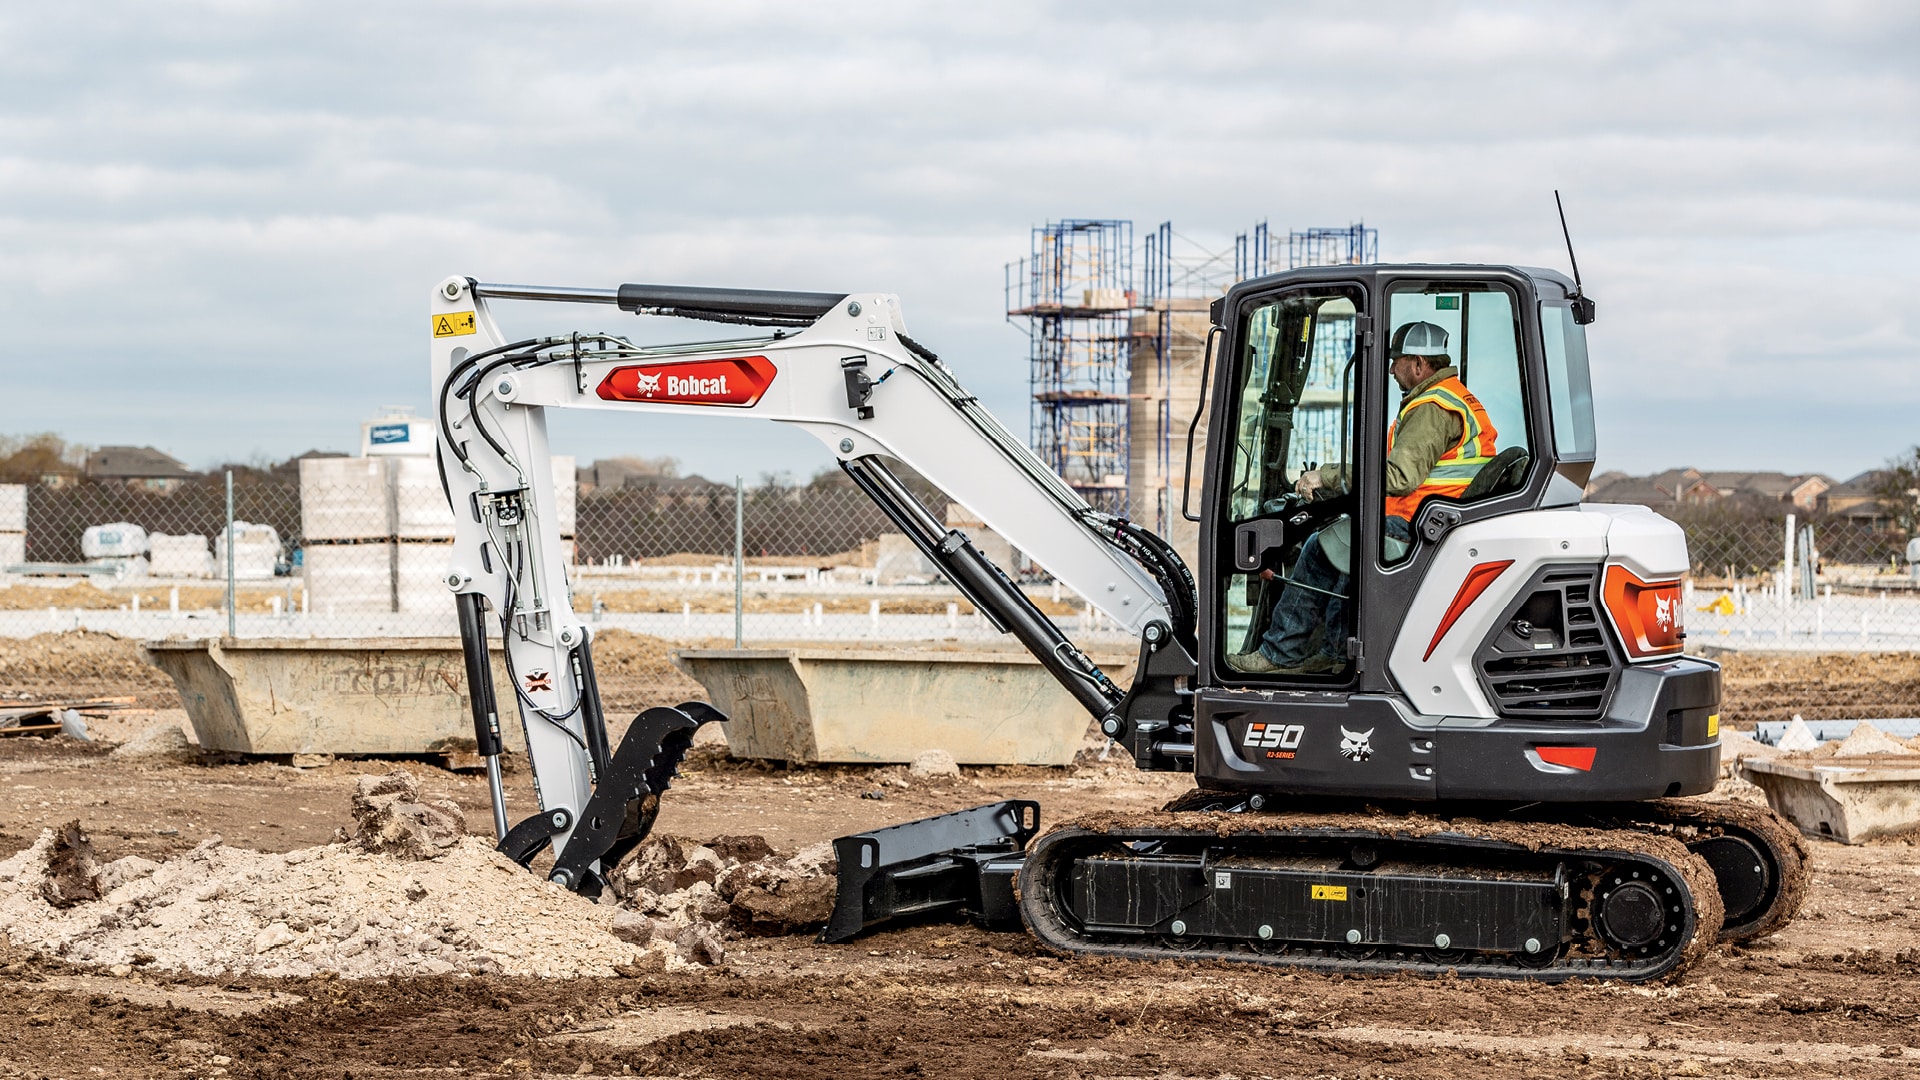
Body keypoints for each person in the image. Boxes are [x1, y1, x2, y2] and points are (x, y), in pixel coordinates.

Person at [1231, 321, 1498, 675]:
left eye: (1396, 360)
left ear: (1418, 364)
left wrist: (1326, 475)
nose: (1390, 368)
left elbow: (1398, 477)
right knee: (1348, 543)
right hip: (1433, 519)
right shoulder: (1452, 397)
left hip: (1417, 525)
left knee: (1319, 546)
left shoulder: (1432, 408)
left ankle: (1279, 654)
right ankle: (1336, 653)